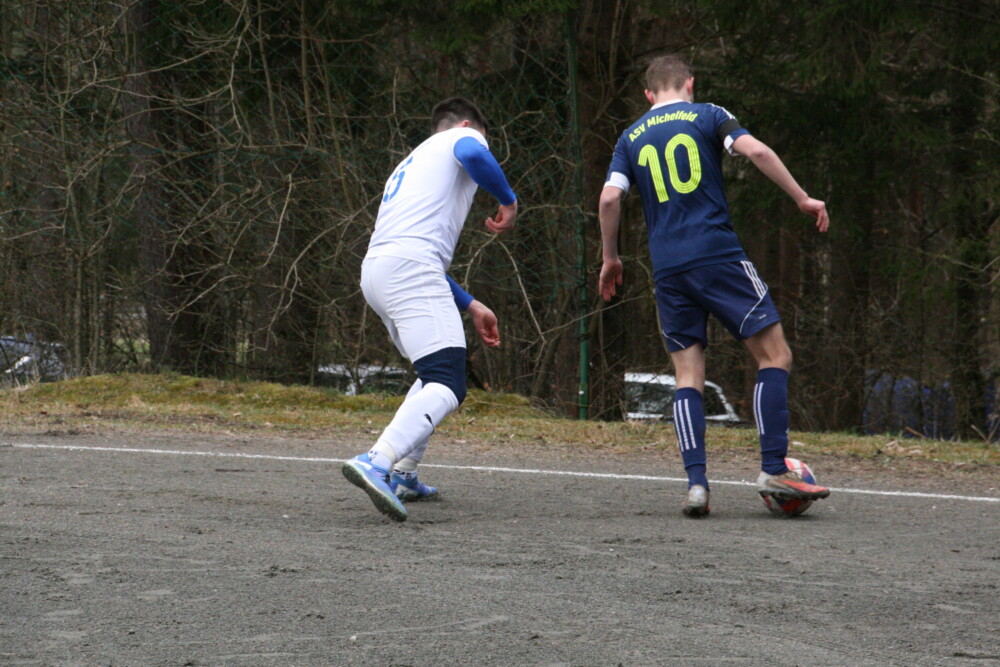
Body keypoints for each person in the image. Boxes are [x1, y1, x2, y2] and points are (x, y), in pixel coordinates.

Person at [598, 55, 831, 517]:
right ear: (690, 84)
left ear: (648, 94)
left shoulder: (630, 137)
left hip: (668, 268)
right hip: (717, 255)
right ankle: (773, 467)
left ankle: (697, 486)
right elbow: (756, 152)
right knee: (775, 355)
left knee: (688, 375)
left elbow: (609, 198)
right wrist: (802, 197)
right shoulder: (708, 114)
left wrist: (610, 258)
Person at [342, 97, 518, 522]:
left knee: (432, 374)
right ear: (464, 124)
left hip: (378, 272)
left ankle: (404, 473)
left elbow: (411, 249)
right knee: (448, 383)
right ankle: (377, 461)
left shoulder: (411, 163)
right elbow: (473, 152)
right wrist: (508, 200)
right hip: (410, 269)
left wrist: (471, 304)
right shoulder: (462, 138)